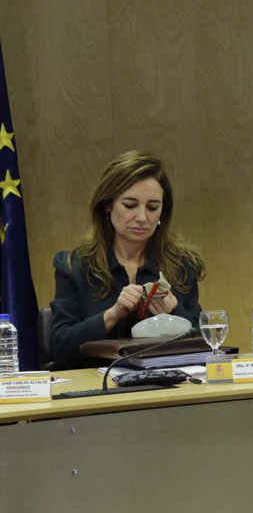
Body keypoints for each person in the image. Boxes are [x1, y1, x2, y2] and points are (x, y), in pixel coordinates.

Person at [49, 151, 205, 370]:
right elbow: (60, 348)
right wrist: (112, 315)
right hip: (94, 386)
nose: (142, 217)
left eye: (152, 207)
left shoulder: (181, 265)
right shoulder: (74, 266)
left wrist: (174, 311)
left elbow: (206, 343)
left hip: (165, 385)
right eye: (130, 205)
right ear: (108, 205)